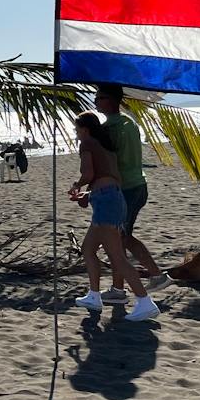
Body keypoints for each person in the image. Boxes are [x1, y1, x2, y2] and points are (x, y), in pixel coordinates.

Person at [68, 113, 158, 321]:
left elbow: (89, 174)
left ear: (85, 129)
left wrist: (76, 185)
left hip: (107, 202)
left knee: (117, 255)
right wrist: (89, 194)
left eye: (77, 129)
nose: (76, 133)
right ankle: (94, 296)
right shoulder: (105, 146)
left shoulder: (87, 144)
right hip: (111, 198)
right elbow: (107, 178)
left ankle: (145, 302)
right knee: (88, 249)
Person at [94, 85, 168, 299]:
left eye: (99, 98)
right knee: (118, 239)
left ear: (112, 101)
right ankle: (118, 289)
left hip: (126, 188)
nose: (95, 101)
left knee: (122, 238)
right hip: (137, 185)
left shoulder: (112, 128)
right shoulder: (129, 122)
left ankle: (156, 275)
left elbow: (111, 162)